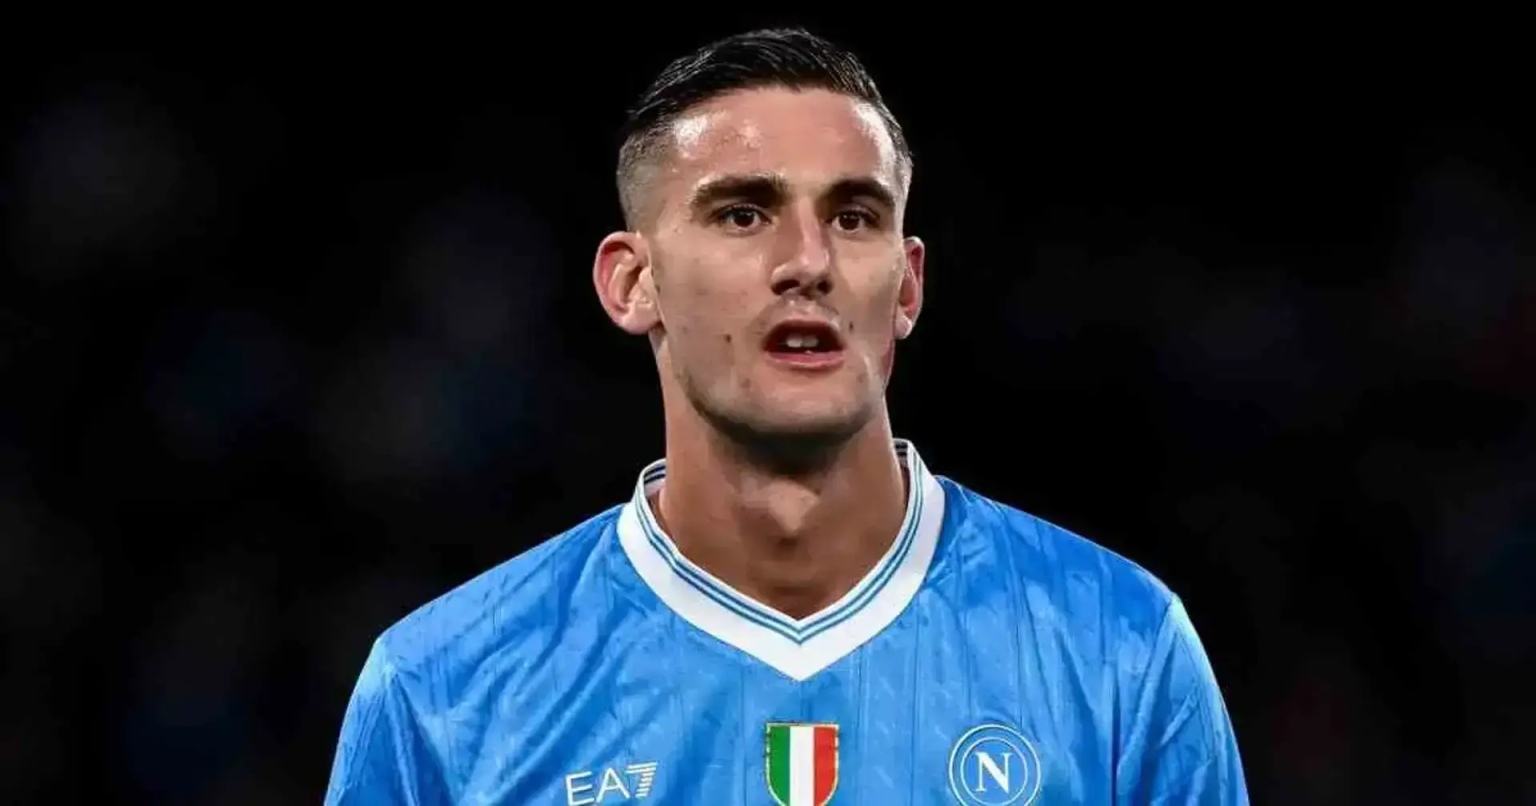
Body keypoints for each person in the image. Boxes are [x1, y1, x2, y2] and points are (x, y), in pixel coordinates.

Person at [323, 27, 1248, 806]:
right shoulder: (441, 692)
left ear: (908, 287)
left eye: (853, 217)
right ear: (632, 282)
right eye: (742, 214)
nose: (807, 261)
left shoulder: (1119, 647)